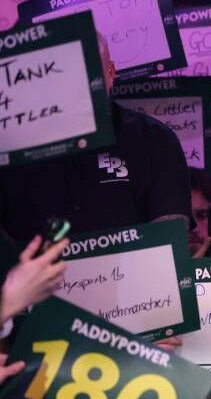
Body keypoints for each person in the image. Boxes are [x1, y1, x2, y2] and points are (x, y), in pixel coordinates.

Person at [0, 33, 190, 243]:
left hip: (131, 274)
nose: (75, 88)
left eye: (87, 75)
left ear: (110, 72)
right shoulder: (15, 150)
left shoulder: (154, 139)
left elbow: (169, 235)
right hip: (37, 274)